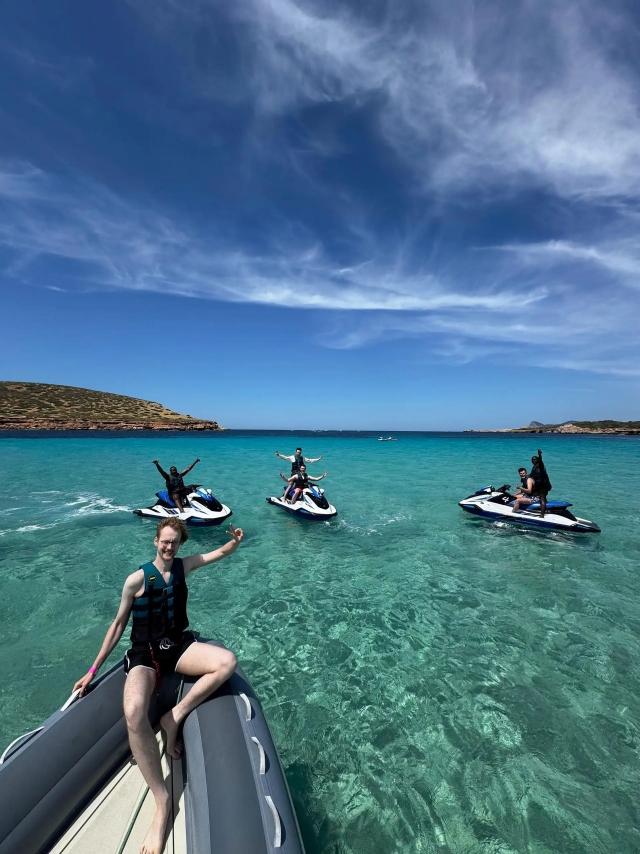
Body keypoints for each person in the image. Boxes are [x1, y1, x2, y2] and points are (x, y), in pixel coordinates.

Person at [73, 517, 243, 854]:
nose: (168, 547)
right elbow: (118, 625)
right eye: (164, 541)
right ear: (155, 541)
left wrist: (235, 542)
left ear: (180, 544)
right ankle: (162, 801)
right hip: (144, 655)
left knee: (227, 662)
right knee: (133, 710)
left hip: (177, 646)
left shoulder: (184, 566)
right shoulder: (136, 580)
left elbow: (217, 554)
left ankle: (173, 716)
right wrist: (93, 669)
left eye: (174, 543)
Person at [529, 449, 552, 517]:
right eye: (533, 459)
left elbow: (541, 461)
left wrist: (540, 455)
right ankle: (546, 509)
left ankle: (542, 515)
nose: (534, 460)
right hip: (539, 485)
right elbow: (531, 475)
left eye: (535, 459)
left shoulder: (540, 465)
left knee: (542, 498)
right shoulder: (534, 467)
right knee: (537, 495)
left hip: (544, 485)